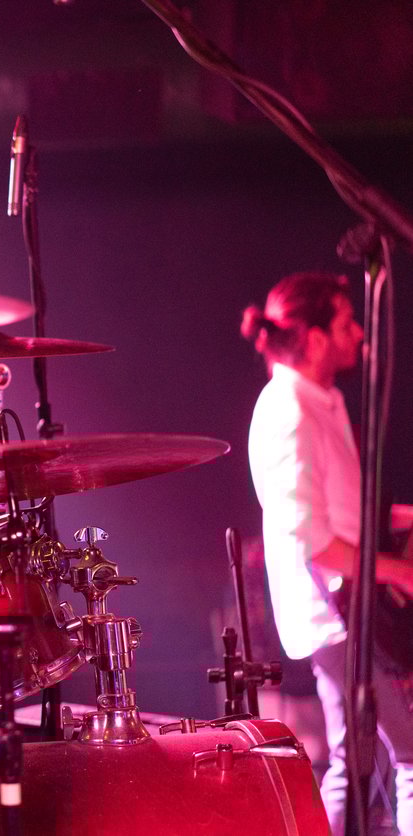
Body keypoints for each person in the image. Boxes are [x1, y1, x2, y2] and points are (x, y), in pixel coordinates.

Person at [243, 271, 413, 835]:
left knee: (358, 761)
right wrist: (400, 572)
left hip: (347, 611)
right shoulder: (290, 410)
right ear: (314, 339)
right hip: (333, 617)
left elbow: (342, 513)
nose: (361, 334)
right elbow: (313, 540)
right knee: (406, 755)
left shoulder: (318, 399)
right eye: (346, 323)